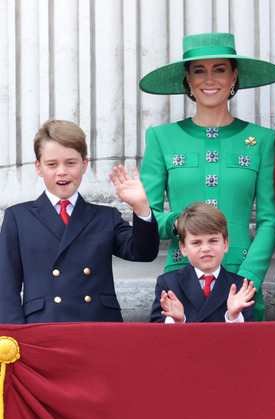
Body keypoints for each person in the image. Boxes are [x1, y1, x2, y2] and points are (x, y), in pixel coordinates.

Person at [139, 32, 275, 321]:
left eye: (219, 69)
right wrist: (178, 222)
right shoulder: (160, 138)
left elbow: (269, 220)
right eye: (199, 71)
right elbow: (147, 216)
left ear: (234, 76)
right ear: (188, 79)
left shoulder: (263, 140)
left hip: (242, 282)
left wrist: (248, 277)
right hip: (181, 278)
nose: (209, 79)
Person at [0, 119, 160, 323]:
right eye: (52, 164)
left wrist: (141, 207)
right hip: (43, 327)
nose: (62, 171)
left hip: (97, 326)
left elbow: (143, 253)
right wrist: (14, 337)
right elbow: (6, 285)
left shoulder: (105, 217)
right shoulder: (18, 217)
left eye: (70, 162)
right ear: (38, 167)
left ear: (84, 165)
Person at [150, 202, 255, 323]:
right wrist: (177, 321)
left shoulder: (241, 286)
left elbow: (248, 338)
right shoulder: (168, 284)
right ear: (183, 248)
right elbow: (155, 334)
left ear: (225, 244)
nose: (205, 248)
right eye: (196, 243)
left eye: (213, 241)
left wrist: (234, 317)